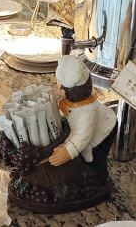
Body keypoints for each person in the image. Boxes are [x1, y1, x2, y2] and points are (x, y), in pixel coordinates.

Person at [48, 55, 116, 183]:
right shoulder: (75, 102)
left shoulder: (88, 113)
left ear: (65, 90)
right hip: (88, 129)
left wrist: (68, 151)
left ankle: (99, 181)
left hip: (105, 130)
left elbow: (83, 136)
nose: (58, 88)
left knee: (97, 159)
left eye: (59, 85)